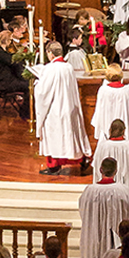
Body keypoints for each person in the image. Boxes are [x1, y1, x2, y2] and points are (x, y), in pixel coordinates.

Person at [31, 40, 90, 175]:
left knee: (54, 137)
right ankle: (81, 160)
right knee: (70, 138)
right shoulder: (68, 67)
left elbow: (43, 92)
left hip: (55, 109)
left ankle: (54, 166)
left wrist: (36, 84)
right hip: (68, 107)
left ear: (50, 54)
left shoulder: (50, 69)